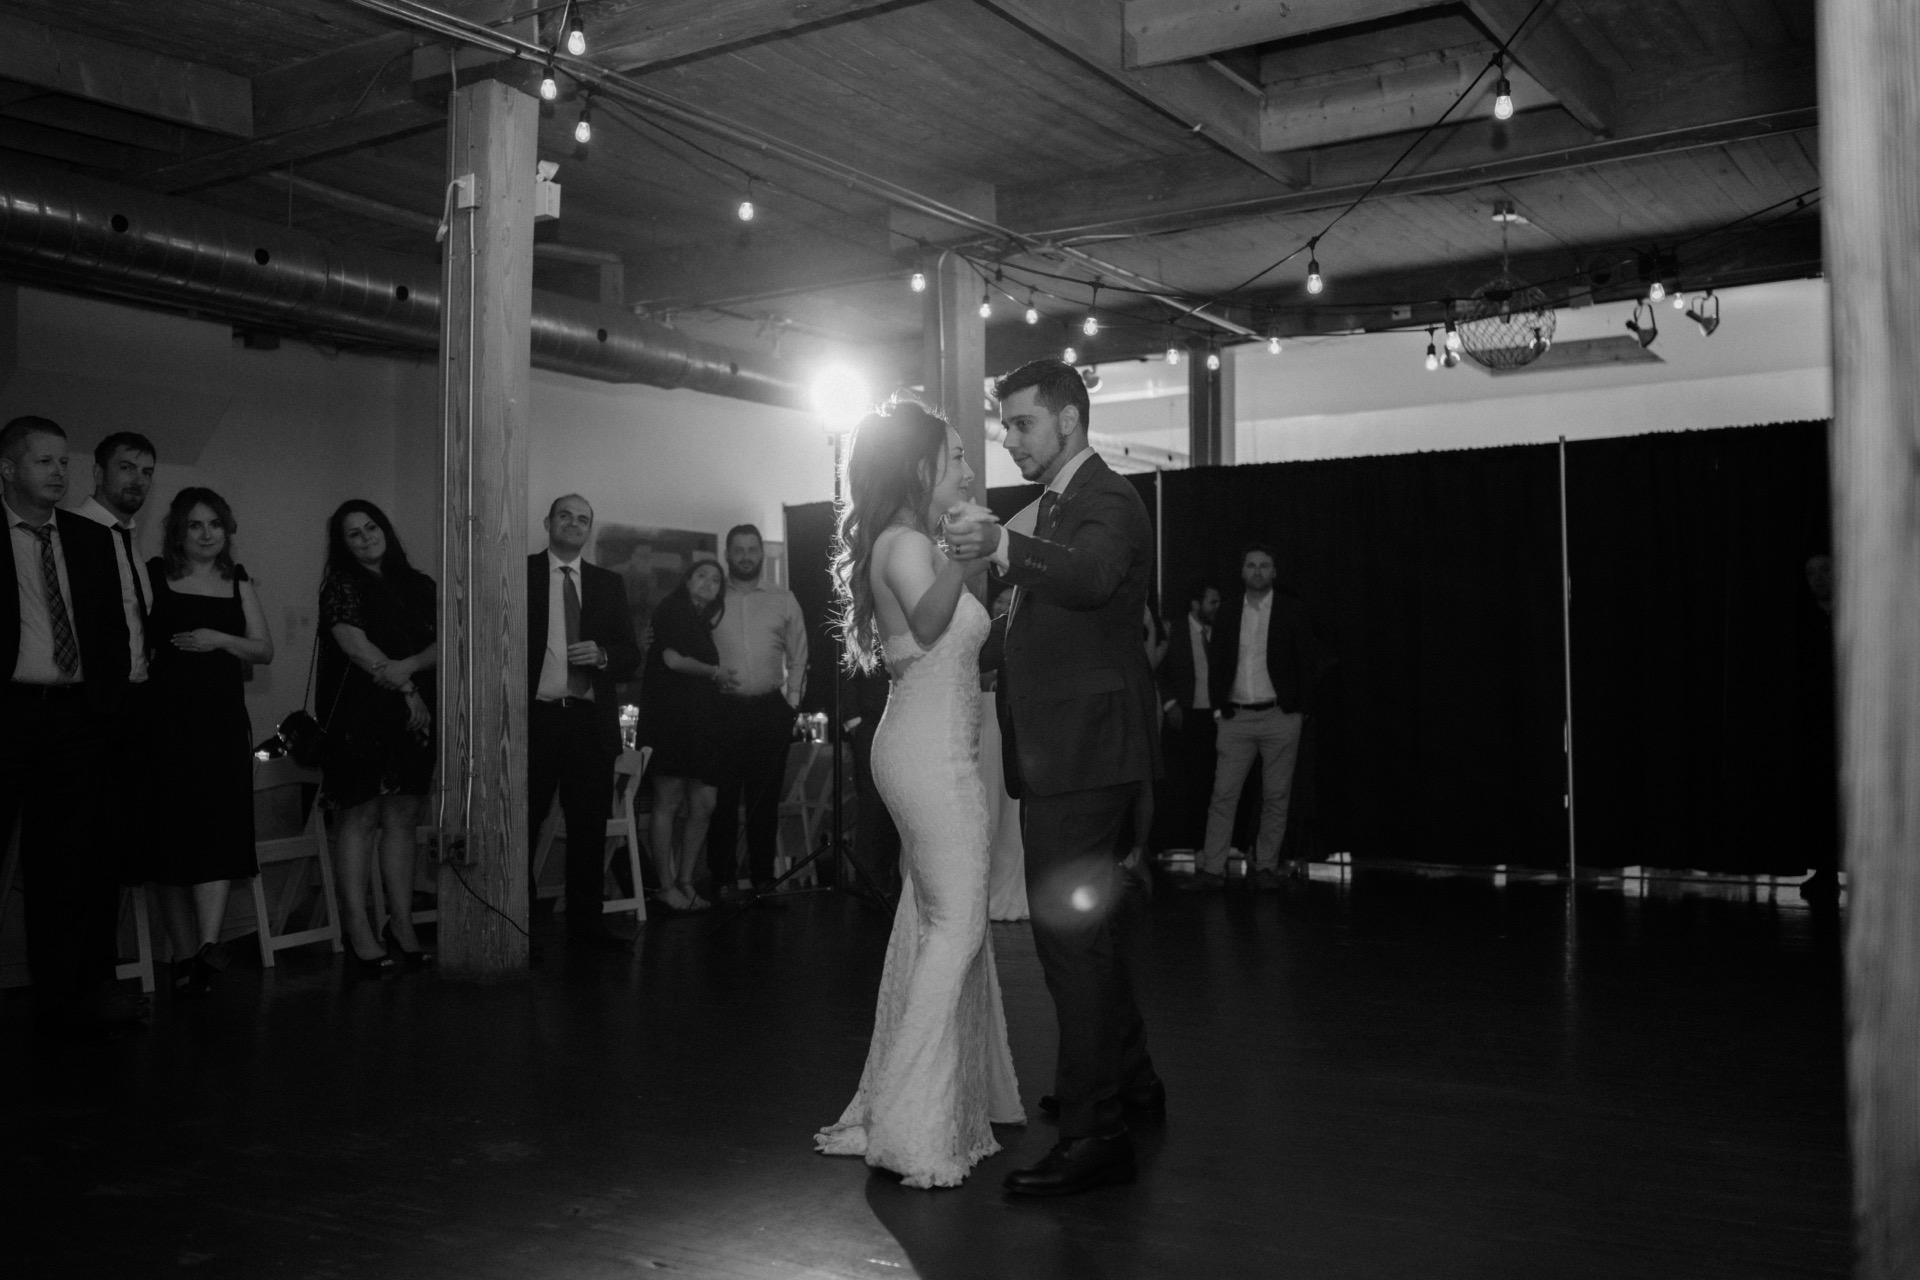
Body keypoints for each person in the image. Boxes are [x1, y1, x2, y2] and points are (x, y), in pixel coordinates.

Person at [946, 358, 1165, 1197]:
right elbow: (1045, 618)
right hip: (1074, 749)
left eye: (1022, 423)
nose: (1009, 438)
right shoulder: (1064, 504)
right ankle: (1125, 1082)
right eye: (1005, 424)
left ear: (1068, 422)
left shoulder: (1104, 498)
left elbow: (1091, 578)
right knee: (1092, 936)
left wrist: (1003, 543)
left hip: (1084, 756)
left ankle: (1094, 1132)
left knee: (1068, 943)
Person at [813, 397, 1022, 1189]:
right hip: (928, 757)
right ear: (920, 465)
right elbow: (933, 628)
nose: (969, 469)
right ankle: (908, 1120)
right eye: (958, 455)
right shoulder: (904, 542)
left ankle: (965, 1095)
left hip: (939, 748)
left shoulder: (913, 542)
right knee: (959, 921)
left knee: (932, 917)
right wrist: (973, 557)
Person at [0, 416, 137, 1035]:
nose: (58, 473)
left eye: (63, 462)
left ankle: (70, 994)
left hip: (78, 717)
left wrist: (103, 707)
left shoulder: (86, 537)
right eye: (43, 462)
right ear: (8, 469)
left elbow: (110, 632)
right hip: (9, 714)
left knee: (73, 863)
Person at [144, 488, 273, 995]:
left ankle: (206, 948)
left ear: (226, 530)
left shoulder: (236, 580)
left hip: (221, 725)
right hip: (166, 724)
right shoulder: (155, 573)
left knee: (218, 832)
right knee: (171, 838)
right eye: (195, 525)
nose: (206, 534)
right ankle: (180, 954)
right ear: (179, 530)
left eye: (214, 524)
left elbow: (262, 650)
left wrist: (219, 640)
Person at [318, 500, 439, 975]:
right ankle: (358, 928)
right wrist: (405, 685)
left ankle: (402, 925)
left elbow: (447, 641)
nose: (367, 537)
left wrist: (410, 669)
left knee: (404, 819)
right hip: (360, 716)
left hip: (415, 717)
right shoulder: (343, 583)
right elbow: (352, 642)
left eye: (372, 527)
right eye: (354, 533)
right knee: (360, 818)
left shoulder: (419, 583)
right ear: (343, 544)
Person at [526, 494, 642, 950]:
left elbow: (631, 655)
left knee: (589, 828)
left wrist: (604, 655)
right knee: (526, 821)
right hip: (537, 716)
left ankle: (586, 927)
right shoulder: (524, 574)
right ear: (548, 523)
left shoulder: (607, 584)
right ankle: (522, 926)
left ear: (589, 529)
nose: (574, 524)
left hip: (589, 721)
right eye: (565, 516)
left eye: (582, 519)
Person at [1192, 544, 1324, 891]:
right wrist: (1219, 709)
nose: (1258, 571)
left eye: (1264, 566)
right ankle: (1213, 868)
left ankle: (1265, 867)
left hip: (1279, 716)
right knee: (1223, 795)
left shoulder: (1292, 611)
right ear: (1242, 572)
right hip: (1236, 718)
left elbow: (1306, 663)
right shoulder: (1229, 610)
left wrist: (1300, 713)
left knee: (1276, 796)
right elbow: (1218, 662)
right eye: (1251, 565)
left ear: (1274, 571)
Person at [75, 432, 158, 893]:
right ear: (99, 473)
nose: (138, 480)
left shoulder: (130, 541)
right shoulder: (72, 532)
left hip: (132, 705)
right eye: (127, 467)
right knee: (85, 846)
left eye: (147, 472)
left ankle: (106, 960)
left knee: (118, 847)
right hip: (88, 710)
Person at [708, 523, 808, 898]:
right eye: (739, 550)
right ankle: (721, 878)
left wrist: (792, 704)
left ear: (761, 555)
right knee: (722, 800)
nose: (746, 556)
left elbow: (800, 656)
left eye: (752, 549)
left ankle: (764, 878)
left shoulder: (784, 599)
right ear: (727, 555)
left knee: (765, 800)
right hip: (722, 712)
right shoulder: (712, 598)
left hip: (770, 711)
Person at [640, 559, 730, 912]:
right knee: (669, 800)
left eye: (715, 580)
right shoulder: (672, 609)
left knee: (704, 803)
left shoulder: (700, 621)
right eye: (702, 575)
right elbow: (674, 660)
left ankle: (686, 880)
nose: (709, 583)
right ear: (687, 580)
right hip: (670, 720)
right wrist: (716, 672)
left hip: (701, 723)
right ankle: (666, 885)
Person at [1155, 581, 1221, 853]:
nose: (1218, 607)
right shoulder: (1175, 630)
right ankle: (1177, 843)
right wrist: (1170, 704)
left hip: (1214, 717)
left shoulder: (1220, 631)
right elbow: (1159, 669)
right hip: (1183, 714)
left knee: (1211, 783)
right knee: (1180, 783)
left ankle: (1208, 846)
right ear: (1196, 604)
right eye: (1213, 602)